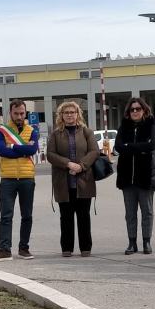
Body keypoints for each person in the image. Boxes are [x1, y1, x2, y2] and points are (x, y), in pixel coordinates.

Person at [0, 99, 39, 261]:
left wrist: (13, 146)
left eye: (22, 113)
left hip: (27, 178)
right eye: (16, 113)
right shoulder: (2, 131)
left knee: (27, 216)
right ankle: (5, 250)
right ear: (10, 113)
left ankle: (24, 248)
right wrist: (22, 149)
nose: (19, 116)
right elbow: (3, 151)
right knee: (6, 215)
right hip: (8, 179)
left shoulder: (32, 130)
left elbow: (33, 149)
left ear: (25, 113)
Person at [46, 101, 99, 256]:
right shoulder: (56, 134)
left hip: (84, 180)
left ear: (78, 114)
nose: (69, 115)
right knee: (66, 217)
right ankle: (67, 248)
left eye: (72, 112)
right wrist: (68, 164)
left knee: (84, 216)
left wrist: (80, 166)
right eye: (66, 112)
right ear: (61, 115)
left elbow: (94, 152)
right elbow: (50, 155)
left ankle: (85, 248)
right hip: (63, 182)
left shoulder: (86, 132)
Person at [114, 97, 155, 255]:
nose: (134, 112)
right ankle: (132, 242)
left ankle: (147, 241)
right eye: (132, 110)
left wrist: (129, 147)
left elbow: (152, 145)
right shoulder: (123, 127)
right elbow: (117, 146)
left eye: (138, 109)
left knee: (147, 212)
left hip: (145, 176)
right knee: (130, 213)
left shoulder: (151, 125)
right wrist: (139, 148)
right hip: (127, 178)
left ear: (144, 110)